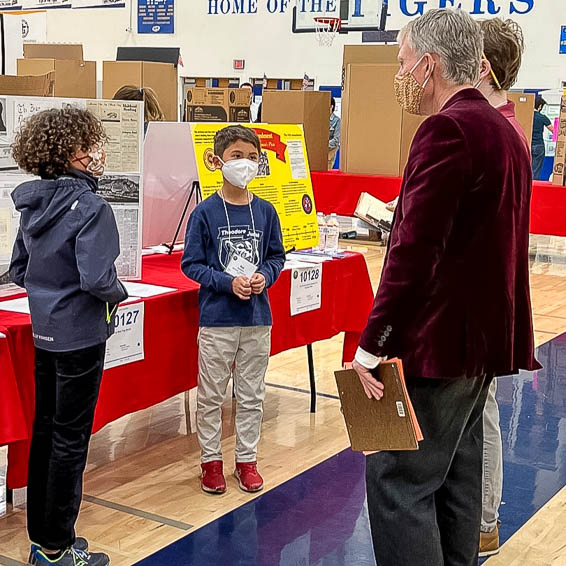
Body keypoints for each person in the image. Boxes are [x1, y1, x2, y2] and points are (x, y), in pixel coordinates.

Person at [352, 9, 540, 566]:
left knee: (396, 480)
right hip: (484, 340)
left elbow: (414, 252)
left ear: (429, 64)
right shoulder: (504, 128)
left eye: (403, 61)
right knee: (459, 476)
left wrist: (373, 342)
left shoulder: (446, 128)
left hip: (437, 343)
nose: (401, 73)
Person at [9, 108, 128, 566]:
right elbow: (98, 278)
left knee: (46, 432)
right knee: (71, 439)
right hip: (80, 336)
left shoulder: (32, 204)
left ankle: (44, 538)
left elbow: (19, 268)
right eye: (87, 145)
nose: (94, 153)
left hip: (44, 333)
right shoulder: (93, 208)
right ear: (71, 152)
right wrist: (119, 292)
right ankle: (57, 550)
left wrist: (48, 291)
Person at [181, 125, 285, 495]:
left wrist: (264, 277)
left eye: (252, 157)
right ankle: (211, 462)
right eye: (237, 156)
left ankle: (246, 460)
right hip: (218, 320)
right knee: (211, 395)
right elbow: (191, 264)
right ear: (218, 161)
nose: (245, 164)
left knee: (252, 395)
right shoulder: (205, 213)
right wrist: (227, 283)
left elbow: (276, 257)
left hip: (257, 319)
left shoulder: (267, 211)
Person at [475, 16, 528, 557]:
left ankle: (484, 518)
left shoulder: (492, 129)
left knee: (481, 413)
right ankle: (480, 515)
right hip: (492, 295)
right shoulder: (503, 125)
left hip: (483, 300)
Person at [531, 96, 554, 180]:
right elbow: (553, 130)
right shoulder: (542, 117)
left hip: (527, 144)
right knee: (536, 169)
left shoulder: (528, 116)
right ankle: (533, 186)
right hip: (539, 145)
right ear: (540, 106)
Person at [328, 97, 341, 169]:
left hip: (330, 152)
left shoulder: (337, 121)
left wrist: (323, 146)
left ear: (331, 106)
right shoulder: (320, 119)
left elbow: (336, 140)